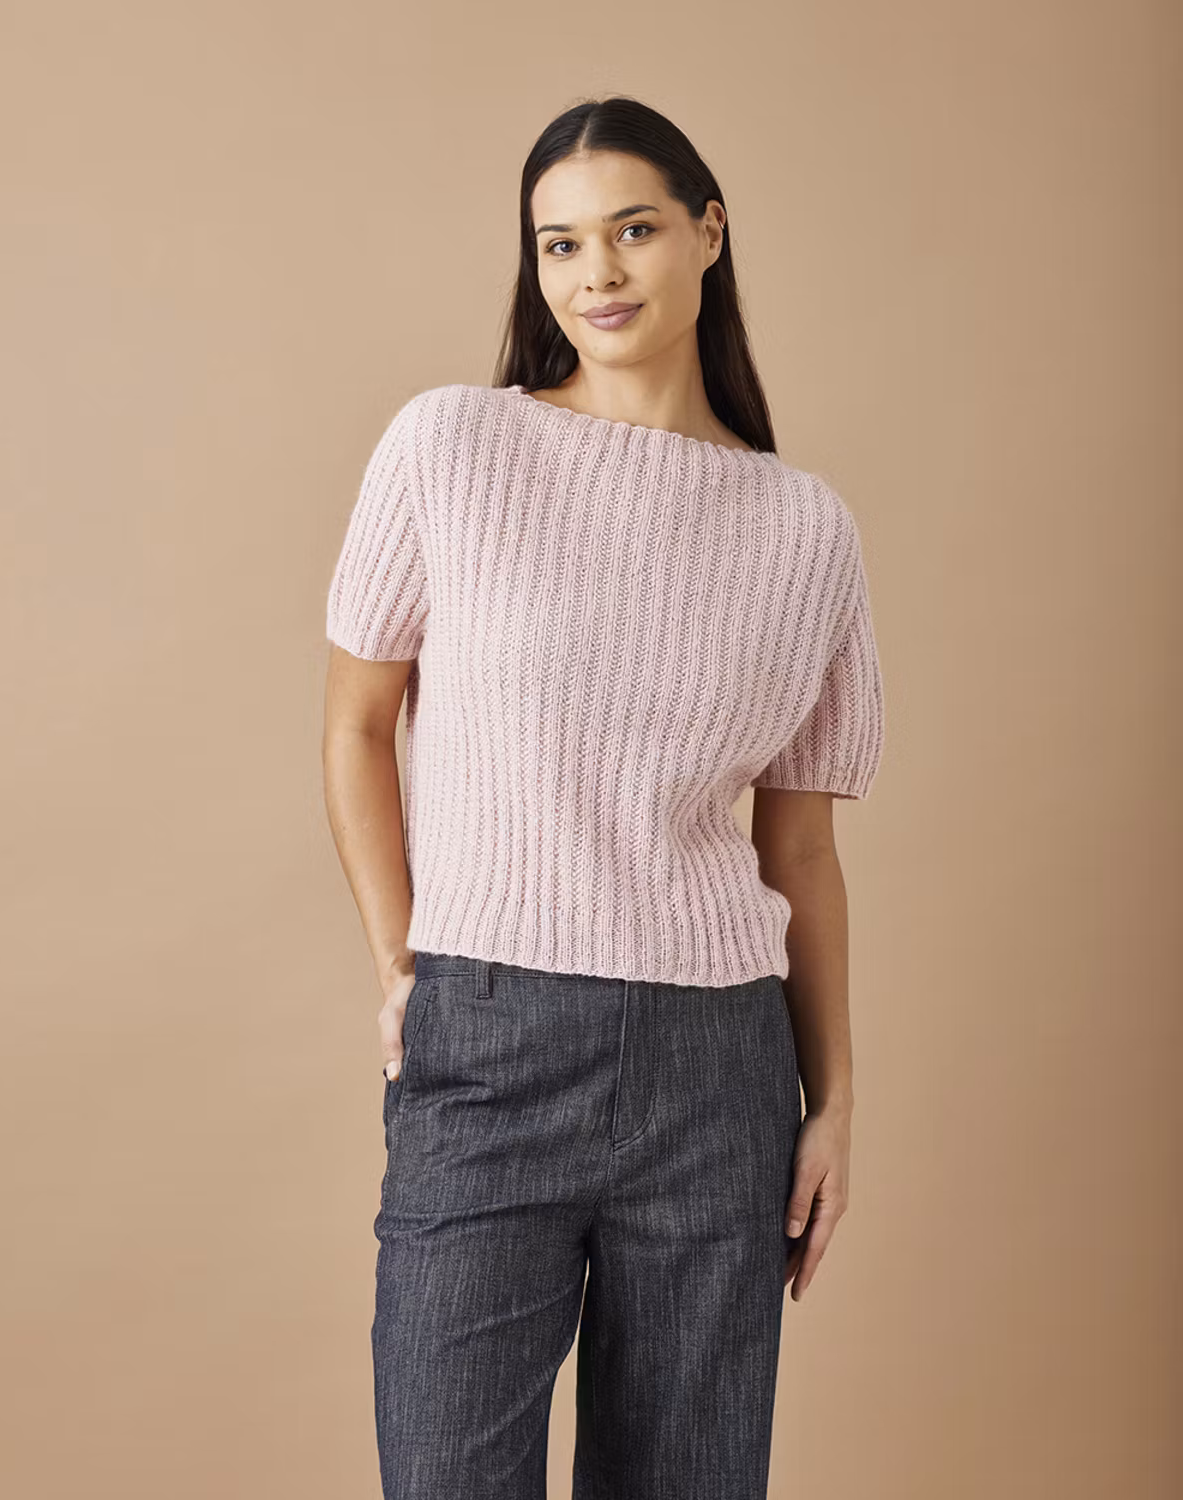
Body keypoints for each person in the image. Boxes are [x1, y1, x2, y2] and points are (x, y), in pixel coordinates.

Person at [322, 95, 885, 1500]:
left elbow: (802, 850)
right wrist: (402, 966)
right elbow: (356, 725)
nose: (598, 274)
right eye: (560, 244)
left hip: (718, 1072)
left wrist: (834, 1099)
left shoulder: (805, 528)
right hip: (487, 1042)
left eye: (633, 230)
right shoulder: (452, 447)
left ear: (709, 232)